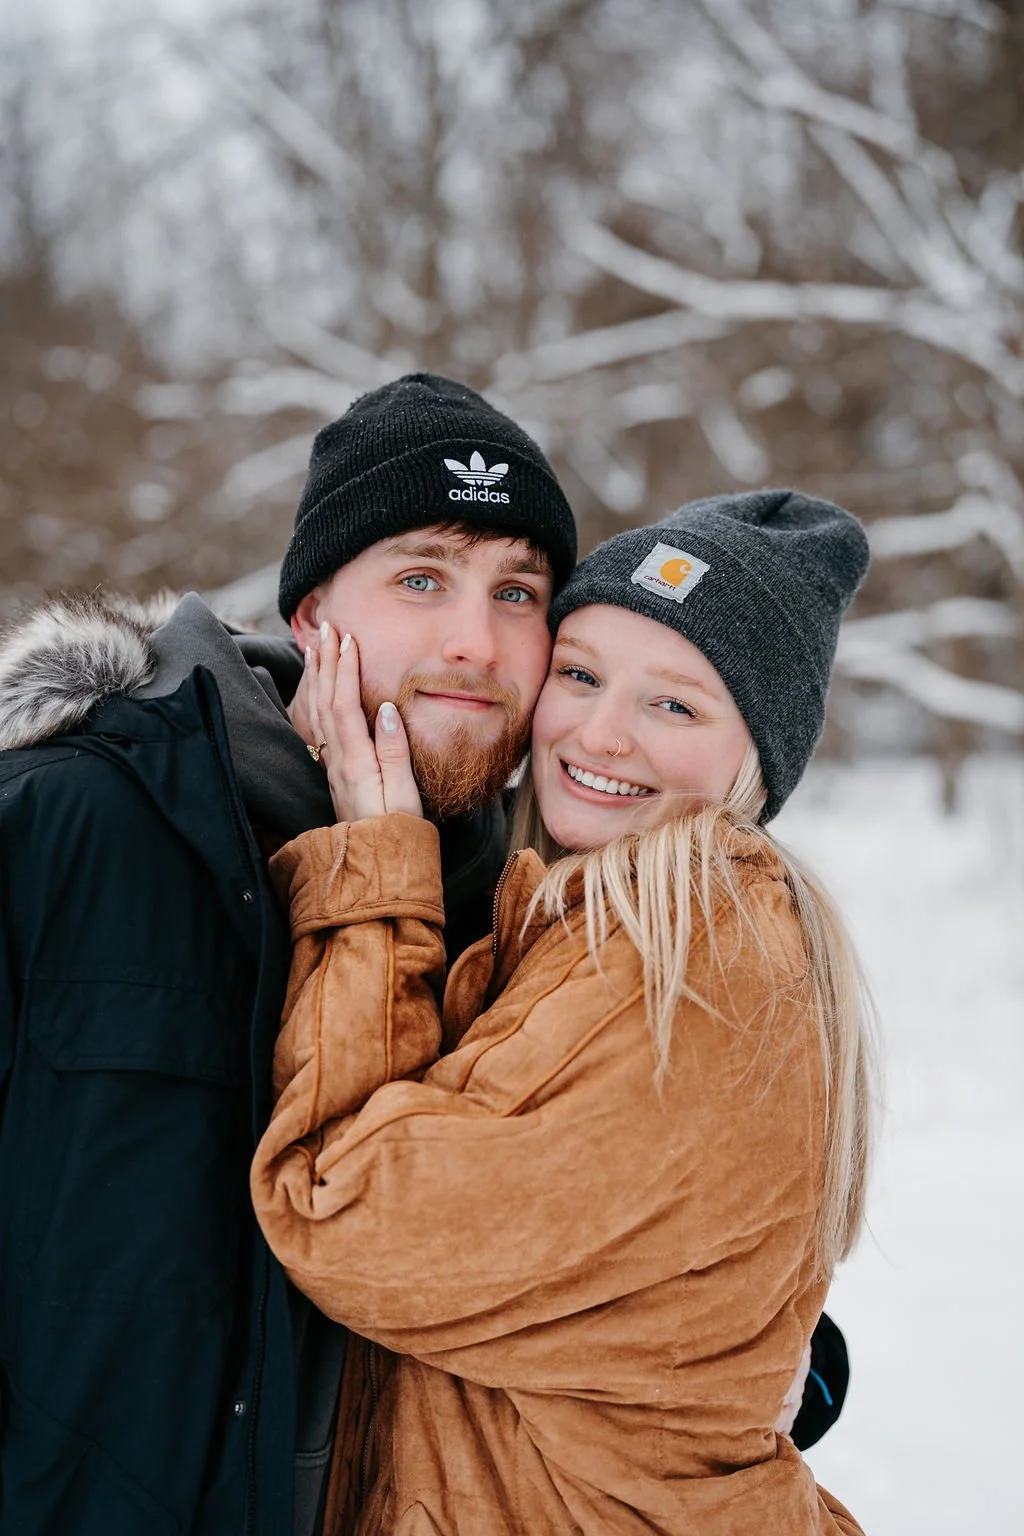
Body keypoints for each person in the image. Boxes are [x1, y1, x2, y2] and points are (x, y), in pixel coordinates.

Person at [0, 374, 576, 1534]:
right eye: (423, 579)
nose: (477, 640)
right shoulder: (68, 824)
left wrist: (758, 1356)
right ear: (311, 618)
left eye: (518, 592)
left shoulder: (522, 922)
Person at [251, 489, 875, 1534]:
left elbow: (344, 1212)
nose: (601, 732)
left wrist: (374, 865)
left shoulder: (700, 957)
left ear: (754, 755)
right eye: (579, 675)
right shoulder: (569, 919)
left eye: (673, 706)